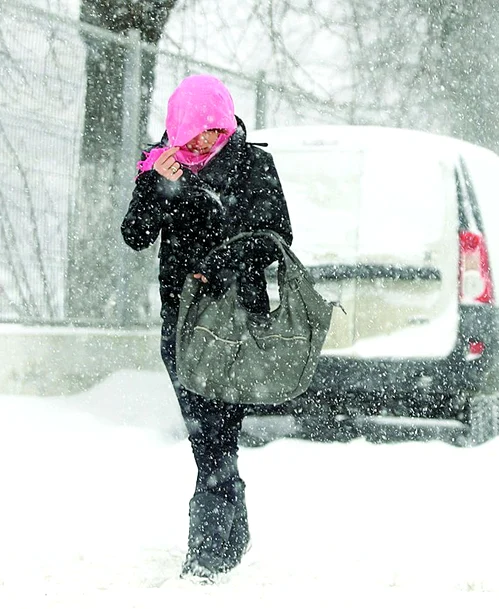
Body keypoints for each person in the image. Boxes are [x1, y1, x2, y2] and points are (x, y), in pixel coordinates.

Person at [121, 74, 292, 580]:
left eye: (210, 133)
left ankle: (211, 553)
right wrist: (156, 185)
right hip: (183, 325)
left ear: (225, 123)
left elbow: (276, 234)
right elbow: (134, 234)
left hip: (240, 324)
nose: (200, 145)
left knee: (216, 436)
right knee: (211, 439)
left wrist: (220, 265)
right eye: (191, 134)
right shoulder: (161, 164)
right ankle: (223, 542)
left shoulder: (254, 164)